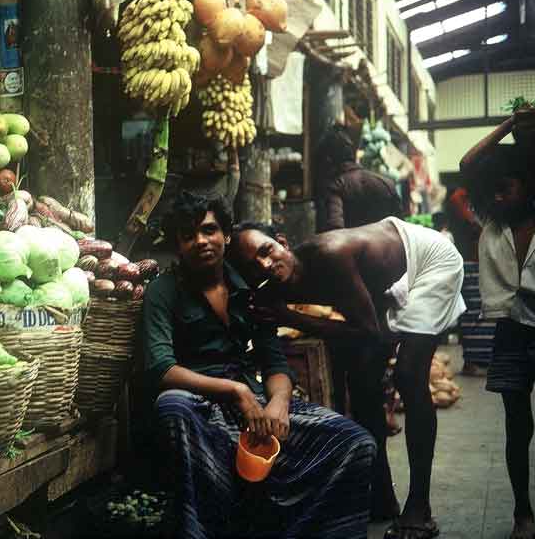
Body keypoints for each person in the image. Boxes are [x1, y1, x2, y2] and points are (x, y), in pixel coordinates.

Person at [140, 191, 376, 539]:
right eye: (188, 236)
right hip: (200, 405)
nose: (201, 241)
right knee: (170, 405)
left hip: (257, 404)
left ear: (226, 235)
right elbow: (161, 369)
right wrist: (234, 391)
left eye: (209, 230)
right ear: (178, 245)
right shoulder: (163, 291)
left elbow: (274, 360)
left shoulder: (249, 290)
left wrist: (279, 403)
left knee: (356, 444)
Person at [228, 216, 466, 539]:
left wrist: (289, 316)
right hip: (384, 280)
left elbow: (367, 332)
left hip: (428, 259)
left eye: (267, 250)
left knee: (409, 375)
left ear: (283, 242)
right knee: (363, 381)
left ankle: (418, 507)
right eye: (254, 265)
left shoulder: (330, 254)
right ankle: (382, 497)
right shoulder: (275, 284)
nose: (266, 264)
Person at [461, 139, 535, 539]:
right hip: (510, 337)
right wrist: (515, 125)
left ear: (529, 185)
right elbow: (468, 163)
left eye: (506, 188)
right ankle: (523, 514)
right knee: (518, 429)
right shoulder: (491, 225)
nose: (497, 197)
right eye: (492, 190)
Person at [315, 124, 404, 436]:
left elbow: (335, 232)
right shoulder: (385, 183)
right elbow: (401, 232)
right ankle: (375, 426)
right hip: (388, 286)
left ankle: (361, 437)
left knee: (352, 373)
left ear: (327, 160)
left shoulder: (336, 185)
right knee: (378, 365)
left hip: (352, 290)